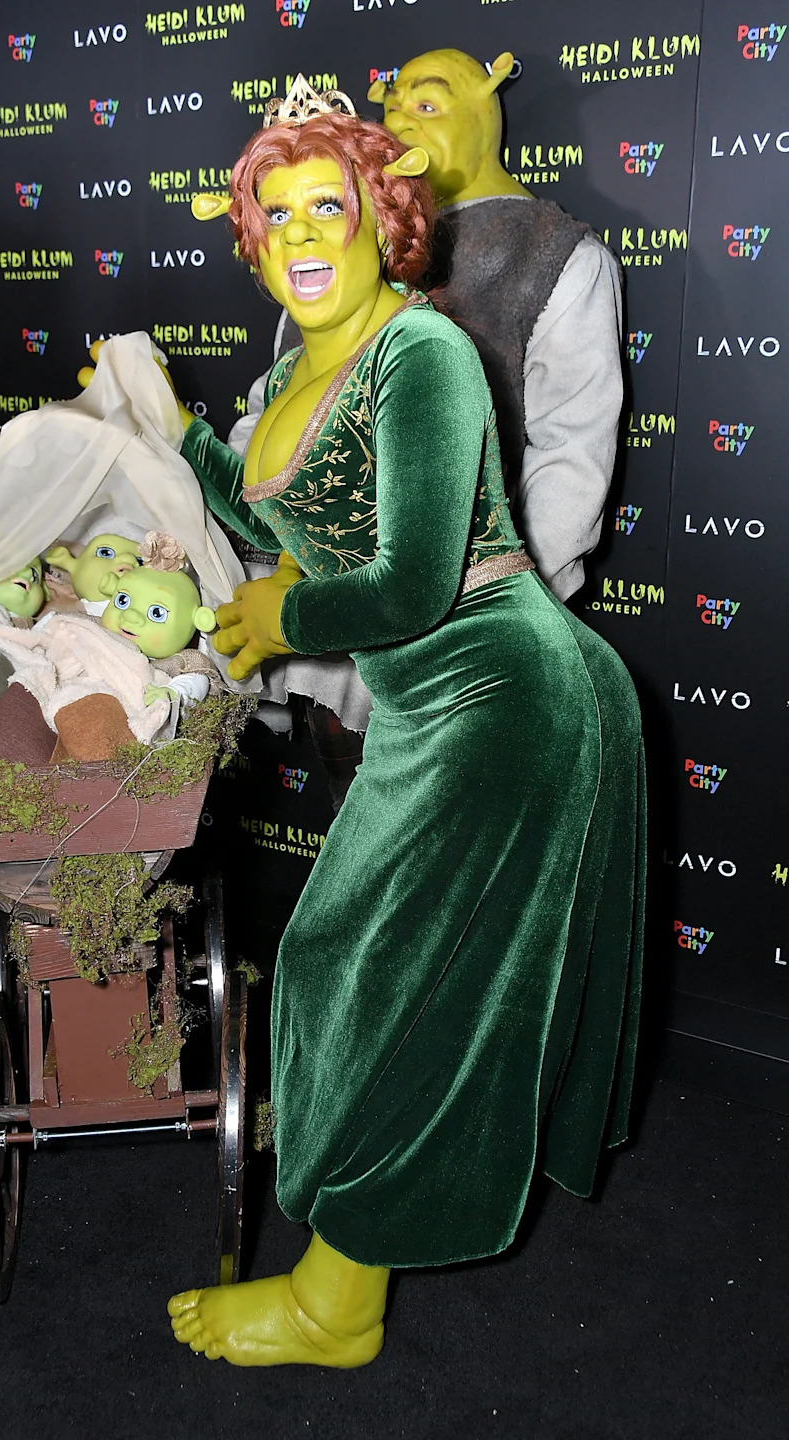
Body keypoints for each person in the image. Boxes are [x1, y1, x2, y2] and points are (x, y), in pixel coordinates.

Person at [165, 78, 644, 1369]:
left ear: (384, 221)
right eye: (277, 213)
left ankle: (339, 1305)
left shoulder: (421, 352)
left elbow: (412, 582)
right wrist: (177, 439)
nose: (303, 234)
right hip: (435, 702)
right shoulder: (292, 375)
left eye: (329, 206)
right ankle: (344, 1276)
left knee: (372, 979)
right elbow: (282, 510)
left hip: (502, 695)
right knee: (350, 968)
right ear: (252, 237)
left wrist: (278, 616)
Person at [232, 50, 623, 604]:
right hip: (302, 598)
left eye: (428, 104)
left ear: (486, 110)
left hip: (454, 615)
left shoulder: (556, 257)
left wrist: (506, 607)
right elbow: (265, 422)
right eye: (392, 107)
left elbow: (570, 459)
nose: (402, 121)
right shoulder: (326, 260)